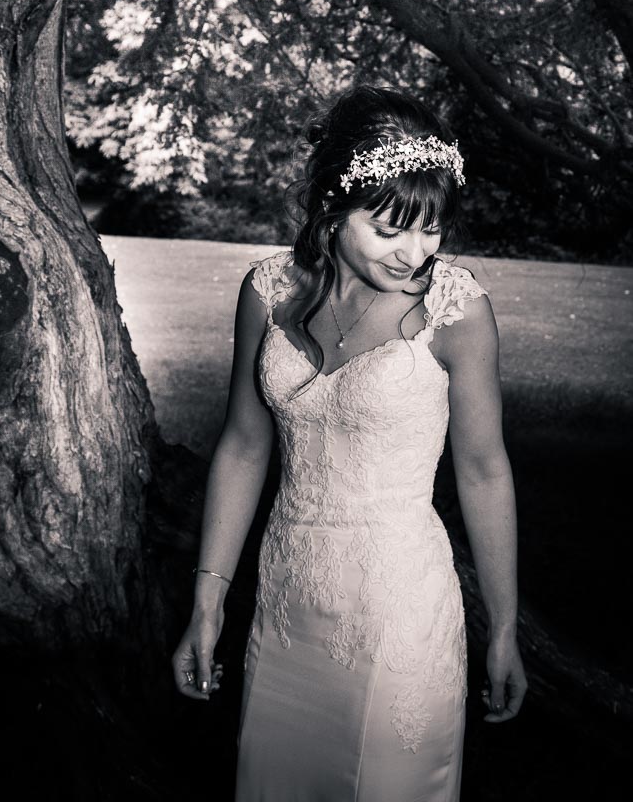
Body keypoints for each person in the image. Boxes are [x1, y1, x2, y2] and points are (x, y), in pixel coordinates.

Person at [172, 84, 527, 801]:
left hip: (399, 611)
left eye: (431, 228)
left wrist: (502, 626)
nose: (415, 252)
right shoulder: (267, 289)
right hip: (286, 600)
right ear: (333, 210)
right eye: (390, 228)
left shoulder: (455, 312)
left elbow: (484, 472)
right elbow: (243, 446)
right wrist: (208, 600)